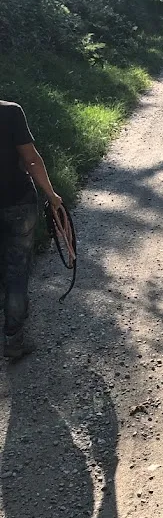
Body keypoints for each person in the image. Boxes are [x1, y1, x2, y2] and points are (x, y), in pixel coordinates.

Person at [1, 101, 70, 360]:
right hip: (17, 201)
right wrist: (51, 195)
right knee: (17, 271)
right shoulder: (10, 111)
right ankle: (13, 339)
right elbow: (30, 158)